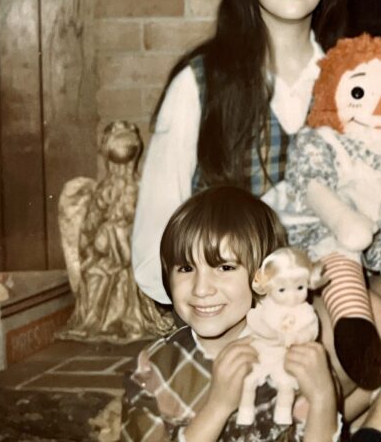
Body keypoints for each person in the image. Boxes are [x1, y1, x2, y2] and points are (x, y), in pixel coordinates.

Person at [132, 0, 349, 305]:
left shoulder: (357, 82)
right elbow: (153, 244)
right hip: (231, 313)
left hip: (333, 301)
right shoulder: (198, 83)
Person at [121, 187, 340, 442]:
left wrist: (323, 398)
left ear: (263, 277)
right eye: (186, 268)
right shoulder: (155, 367)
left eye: (224, 267)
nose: (201, 288)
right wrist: (218, 407)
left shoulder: (292, 359)